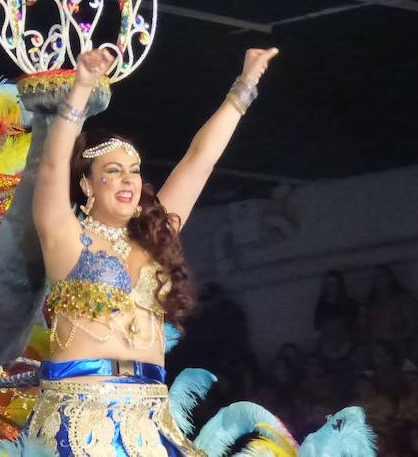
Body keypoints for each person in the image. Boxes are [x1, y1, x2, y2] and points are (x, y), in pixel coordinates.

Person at [26, 46, 279, 456]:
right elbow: (54, 169)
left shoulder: (156, 238)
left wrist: (244, 86)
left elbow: (200, 160)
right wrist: (81, 89)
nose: (128, 180)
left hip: (150, 422)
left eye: (134, 171)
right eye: (112, 171)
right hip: (81, 423)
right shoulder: (66, 238)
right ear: (87, 186)